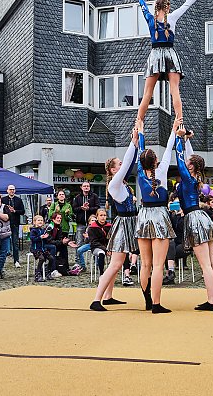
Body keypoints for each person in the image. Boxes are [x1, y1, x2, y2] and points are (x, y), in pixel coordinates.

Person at [132, 0, 209, 123]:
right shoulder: (172, 18)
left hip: (155, 55)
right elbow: (187, 4)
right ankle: (179, 123)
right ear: (167, 8)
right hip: (169, 55)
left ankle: (138, 124)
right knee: (175, 91)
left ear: (156, 7)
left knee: (147, 93)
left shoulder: (150, 19)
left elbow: (142, 5)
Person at [90, 124, 141, 311]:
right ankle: (96, 300)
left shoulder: (121, 183)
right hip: (123, 224)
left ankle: (108, 296)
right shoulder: (114, 185)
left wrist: (135, 145)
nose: (121, 166)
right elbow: (128, 163)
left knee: (116, 264)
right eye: (118, 165)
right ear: (112, 170)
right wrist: (133, 142)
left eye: (120, 164)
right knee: (115, 264)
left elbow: (130, 163)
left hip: (129, 222)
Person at [174, 123, 213, 310]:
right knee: (211, 263)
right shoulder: (194, 179)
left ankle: (211, 301)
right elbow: (186, 158)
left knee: (206, 265)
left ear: (192, 167)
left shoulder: (187, 178)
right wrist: (186, 140)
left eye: (189, 163)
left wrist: (178, 139)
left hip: (194, 218)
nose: (186, 163)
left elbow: (180, 161)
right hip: (202, 217)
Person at [135, 119, 177, 313]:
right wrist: (174, 129)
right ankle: (156, 304)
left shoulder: (140, 171)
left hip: (143, 215)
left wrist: (141, 133)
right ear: (155, 162)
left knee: (145, 263)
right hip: (159, 215)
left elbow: (140, 152)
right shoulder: (162, 169)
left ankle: (146, 301)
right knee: (159, 264)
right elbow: (169, 147)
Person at [44, 211, 77, 276]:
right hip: (47, 245)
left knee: (64, 247)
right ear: (53, 219)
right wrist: (61, 242)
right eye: (58, 218)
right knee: (53, 247)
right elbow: (49, 241)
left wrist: (67, 242)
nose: (59, 219)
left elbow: (60, 239)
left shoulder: (59, 227)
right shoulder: (50, 227)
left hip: (54, 244)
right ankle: (53, 270)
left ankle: (66, 268)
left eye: (60, 218)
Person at [1, 184, 26, 269]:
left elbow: (23, 211)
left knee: (15, 243)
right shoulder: (3, 199)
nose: (12, 191)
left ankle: (16, 261)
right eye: (10, 189)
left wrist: (14, 211)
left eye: (13, 189)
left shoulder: (18, 200)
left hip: (15, 223)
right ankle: (1, 261)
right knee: (3, 243)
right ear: (7, 190)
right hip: (5, 224)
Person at [29, 214, 57, 281]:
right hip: (36, 249)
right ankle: (37, 274)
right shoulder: (33, 230)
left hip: (43, 249)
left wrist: (46, 237)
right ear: (34, 222)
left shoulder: (43, 230)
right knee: (41, 259)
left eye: (41, 220)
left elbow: (45, 240)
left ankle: (47, 272)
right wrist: (40, 237)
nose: (40, 222)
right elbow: (33, 239)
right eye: (38, 220)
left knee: (51, 258)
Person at [87, 209, 112, 277]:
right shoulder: (92, 228)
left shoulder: (110, 226)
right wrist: (105, 249)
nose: (103, 217)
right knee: (101, 253)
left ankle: (124, 275)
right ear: (97, 217)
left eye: (104, 215)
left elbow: (112, 239)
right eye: (101, 215)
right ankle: (101, 274)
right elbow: (94, 242)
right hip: (96, 247)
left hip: (108, 247)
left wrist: (109, 248)